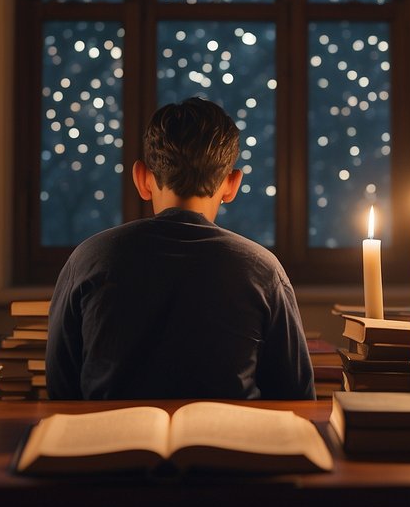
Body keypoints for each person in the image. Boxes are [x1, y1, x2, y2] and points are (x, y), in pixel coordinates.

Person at [46, 96, 316, 400]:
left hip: (113, 445)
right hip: (231, 445)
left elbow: (60, 391)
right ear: (232, 184)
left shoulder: (88, 259)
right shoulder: (263, 270)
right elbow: (296, 398)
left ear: (142, 179)